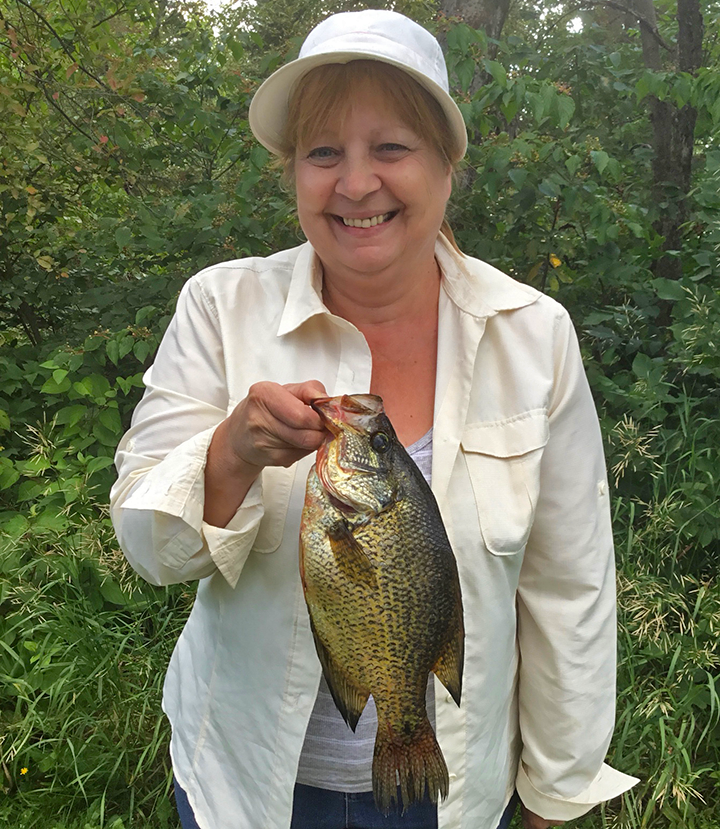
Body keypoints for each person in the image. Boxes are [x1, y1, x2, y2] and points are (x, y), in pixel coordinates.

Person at [110, 9, 638, 829]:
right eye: (324, 153)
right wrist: (232, 452)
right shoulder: (220, 307)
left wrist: (556, 792)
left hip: (455, 791)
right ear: (294, 173)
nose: (357, 184)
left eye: (390, 148)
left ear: (447, 165)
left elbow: (570, 587)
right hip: (246, 790)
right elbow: (151, 552)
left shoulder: (533, 336)